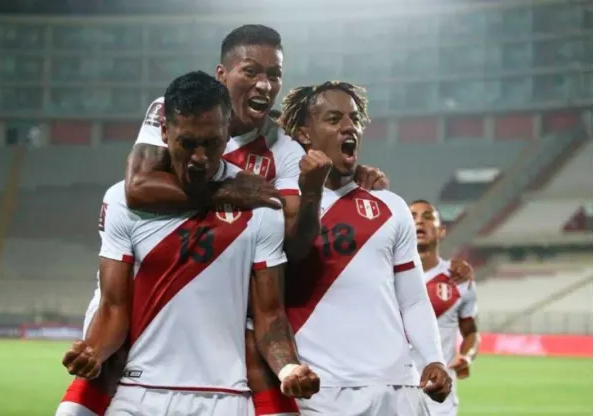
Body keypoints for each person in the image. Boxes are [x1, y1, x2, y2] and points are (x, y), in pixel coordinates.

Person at [57, 24, 389, 416]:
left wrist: (343, 178)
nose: (265, 84)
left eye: (274, 74)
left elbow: (294, 245)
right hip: (145, 291)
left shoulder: (281, 148)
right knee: (116, 343)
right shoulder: (171, 109)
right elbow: (137, 187)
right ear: (223, 74)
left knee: (255, 343)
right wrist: (231, 194)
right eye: (251, 71)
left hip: (229, 286)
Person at [59, 71, 320, 416]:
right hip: (138, 395)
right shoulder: (123, 201)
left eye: (211, 143)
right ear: (165, 133)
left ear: (228, 133)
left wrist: (289, 368)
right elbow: (113, 308)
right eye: (187, 143)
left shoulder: (259, 204)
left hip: (225, 398)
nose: (199, 158)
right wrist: (93, 351)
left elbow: (269, 316)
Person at [274, 81, 452, 415]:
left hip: (399, 388)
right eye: (333, 118)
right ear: (304, 134)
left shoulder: (391, 206)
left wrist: (433, 359)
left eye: (354, 118)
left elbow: (412, 297)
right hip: (323, 393)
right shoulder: (279, 204)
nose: (348, 126)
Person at [409, 200, 481, 416]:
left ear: (441, 231)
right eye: (412, 217)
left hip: (438, 401)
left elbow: (471, 332)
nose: (419, 221)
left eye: (428, 216)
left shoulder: (459, 279)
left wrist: (467, 356)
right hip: (393, 395)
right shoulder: (384, 276)